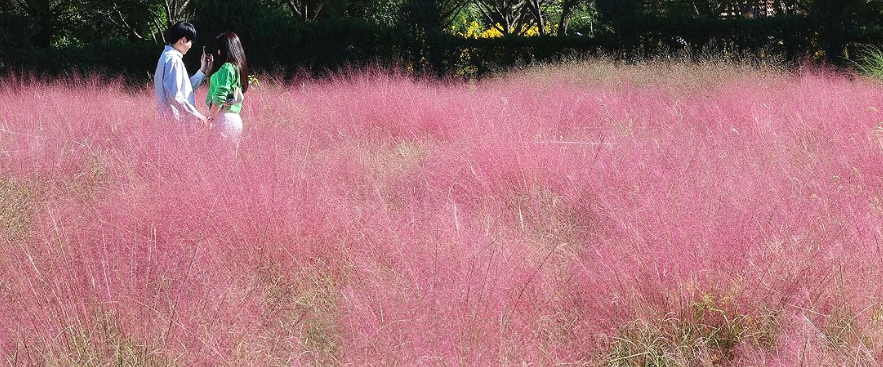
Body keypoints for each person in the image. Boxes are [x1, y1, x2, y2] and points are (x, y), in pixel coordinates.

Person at [154, 21, 213, 126]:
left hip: (168, 121)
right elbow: (174, 94)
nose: (190, 46)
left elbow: (183, 88)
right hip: (176, 122)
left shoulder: (166, 56)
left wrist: (202, 71)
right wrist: (196, 114)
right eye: (190, 42)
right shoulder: (173, 60)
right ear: (183, 40)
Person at [205, 31, 248, 149]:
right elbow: (218, 90)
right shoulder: (237, 67)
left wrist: (211, 116)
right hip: (235, 119)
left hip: (222, 120)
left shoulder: (226, 67)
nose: (218, 52)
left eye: (219, 48)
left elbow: (220, 95)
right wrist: (209, 74)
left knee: (216, 160)